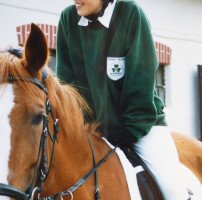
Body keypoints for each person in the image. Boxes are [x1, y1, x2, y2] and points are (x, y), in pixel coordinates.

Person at [56, 0, 200, 199]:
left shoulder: (130, 13)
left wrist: (129, 131)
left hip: (140, 128)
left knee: (173, 189)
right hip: (91, 132)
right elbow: (67, 85)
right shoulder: (68, 19)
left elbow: (141, 80)